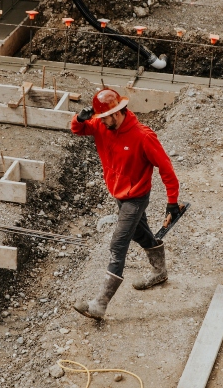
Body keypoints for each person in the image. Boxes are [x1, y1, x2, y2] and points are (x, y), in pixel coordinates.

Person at [70, 87, 182, 320]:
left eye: (104, 117)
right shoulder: (103, 126)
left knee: (118, 245)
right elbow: (78, 130)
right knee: (139, 234)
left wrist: (172, 202)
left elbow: (166, 168)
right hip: (118, 194)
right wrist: (79, 118)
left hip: (136, 197)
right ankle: (160, 271)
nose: (100, 122)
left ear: (117, 112)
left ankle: (99, 305)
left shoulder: (143, 136)